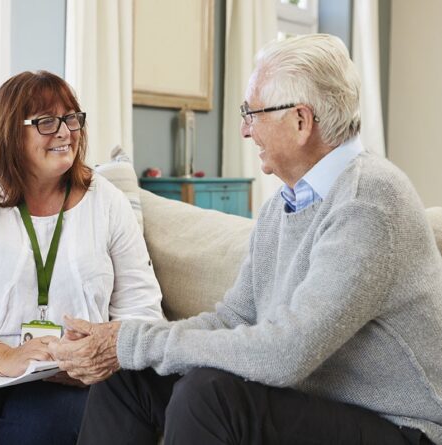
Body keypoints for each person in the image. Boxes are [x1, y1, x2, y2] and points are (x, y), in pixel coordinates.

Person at [50, 34, 442, 445]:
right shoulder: (284, 205)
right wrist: (125, 344)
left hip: (401, 426)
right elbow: (232, 318)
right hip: (318, 404)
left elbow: (286, 353)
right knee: (130, 377)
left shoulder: (370, 202)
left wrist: (132, 342)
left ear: (301, 121)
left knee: (207, 396)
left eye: (251, 113)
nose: (243, 129)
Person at [0, 70, 163, 444]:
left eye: (71, 118)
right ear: (10, 131)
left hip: (68, 370)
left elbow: (142, 311)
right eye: (46, 121)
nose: (65, 132)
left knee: (40, 431)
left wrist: (94, 354)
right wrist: (6, 356)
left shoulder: (107, 203)